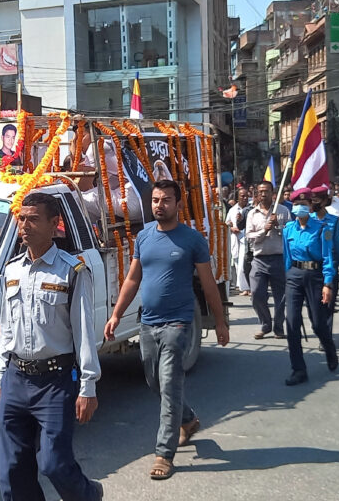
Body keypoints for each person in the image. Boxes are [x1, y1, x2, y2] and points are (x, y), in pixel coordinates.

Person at [104, 180, 228, 480]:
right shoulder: (144, 237)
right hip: (149, 322)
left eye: (166, 200)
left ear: (178, 204)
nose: (159, 205)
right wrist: (116, 314)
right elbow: (133, 279)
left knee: (170, 384)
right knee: (154, 382)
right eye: (155, 200)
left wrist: (220, 322)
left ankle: (164, 454)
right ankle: (188, 419)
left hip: (178, 322)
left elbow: (208, 283)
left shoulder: (192, 240)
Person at [0, 192, 102, 501]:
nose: (24, 226)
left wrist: (88, 386)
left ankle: (90, 495)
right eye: (21, 219)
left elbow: (83, 331)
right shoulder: (12, 270)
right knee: (12, 470)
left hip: (55, 381)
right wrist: (1, 378)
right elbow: (7, 329)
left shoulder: (71, 270)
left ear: (54, 224)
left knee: (55, 465)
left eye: (33, 219)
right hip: (16, 379)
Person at [282, 188, 338, 386]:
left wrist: (327, 283)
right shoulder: (288, 229)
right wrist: (287, 278)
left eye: (304, 205)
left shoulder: (322, 228)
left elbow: (327, 257)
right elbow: (287, 257)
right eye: (297, 205)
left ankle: (329, 348)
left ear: (310, 206)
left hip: (315, 276)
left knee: (318, 323)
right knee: (292, 322)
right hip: (294, 276)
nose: (300, 208)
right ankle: (298, 369)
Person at [246, 182, 291, 339]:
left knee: (281, 296)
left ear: (273, 193)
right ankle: (265, 324)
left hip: (279, 259)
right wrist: (263, 230)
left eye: (266, 191)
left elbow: (290, 234)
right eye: (260, 191)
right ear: (257, 194)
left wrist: (278, 227)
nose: (263, 194)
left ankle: (279, 327)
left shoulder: (283, 211)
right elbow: (249, 236)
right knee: (256, 294)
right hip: (259, 259)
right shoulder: (252, 214)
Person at [310, 185, 339, 332]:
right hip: (311, 266)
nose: (314, 203)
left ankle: (326, 335)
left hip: (330, 265)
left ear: (325, 201)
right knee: (314, 305)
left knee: (328, 303)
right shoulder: (307, 220)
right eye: (312, 200)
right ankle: (319, 328)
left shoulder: (333, 221)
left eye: (317, 200)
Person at [225, 188, 251, 295]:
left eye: (246, 196)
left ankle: (247, 287)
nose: (245, 198)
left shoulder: (251, 209)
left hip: (248, 240)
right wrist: (231, 228)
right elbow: (227, 223)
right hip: (236, 239)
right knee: (237, 264)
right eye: (242, 196)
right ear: (237, 198)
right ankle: (243, 287)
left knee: (244, 264)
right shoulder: (233, 210)